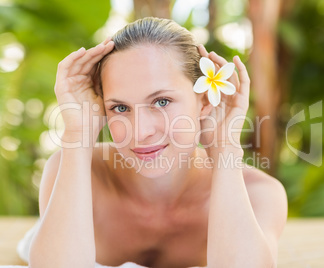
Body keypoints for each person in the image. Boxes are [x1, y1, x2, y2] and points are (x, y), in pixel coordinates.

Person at [28, 17, 288, 268]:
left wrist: (224, 148)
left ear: (206, 100)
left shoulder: (259, 195)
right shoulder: (72, 172)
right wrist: (78, 135)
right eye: (120, 107)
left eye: (161, 101)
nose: (140, 132)